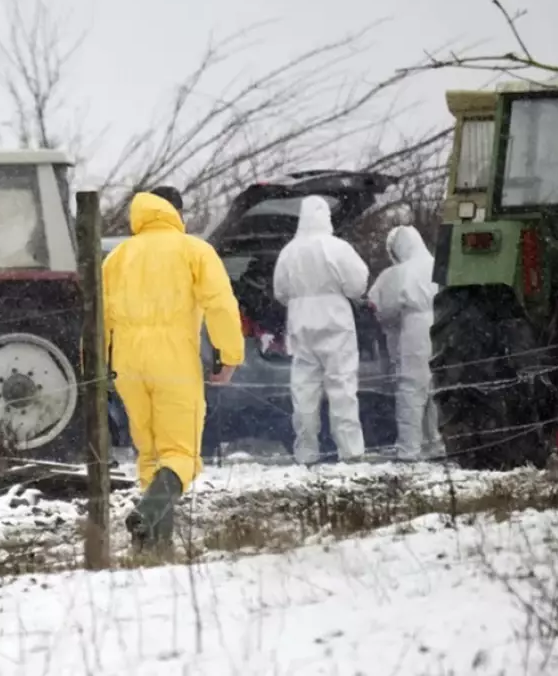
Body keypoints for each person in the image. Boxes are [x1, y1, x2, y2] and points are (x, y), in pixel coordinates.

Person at [102, 187, 244, 551]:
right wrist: (229, 355)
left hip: (127, 363)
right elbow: (220, 304)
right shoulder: (193, 250)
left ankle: (154, 545)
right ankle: (148, 513)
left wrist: (96, 364)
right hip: (174, 360)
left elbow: (98, 317)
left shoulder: (116, 257)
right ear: (176, 212)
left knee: (150, 454)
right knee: (182, 455)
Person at [272, 195, 369, 465]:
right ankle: (350, 452)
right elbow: (357, 284)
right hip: (336, 322)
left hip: (301, 323)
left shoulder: (289, 252)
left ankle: (306, 452)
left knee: (303, 390)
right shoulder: (337, 247)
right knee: (342, 387)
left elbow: (280, 292)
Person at [368, 225, 446, 461]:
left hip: (415, 329)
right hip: (443, 324)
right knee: (436, 389)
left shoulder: (399, 273)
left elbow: (383, 309)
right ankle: (435, 442)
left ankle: (409, 448)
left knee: (411, 388)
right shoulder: (440, 265)